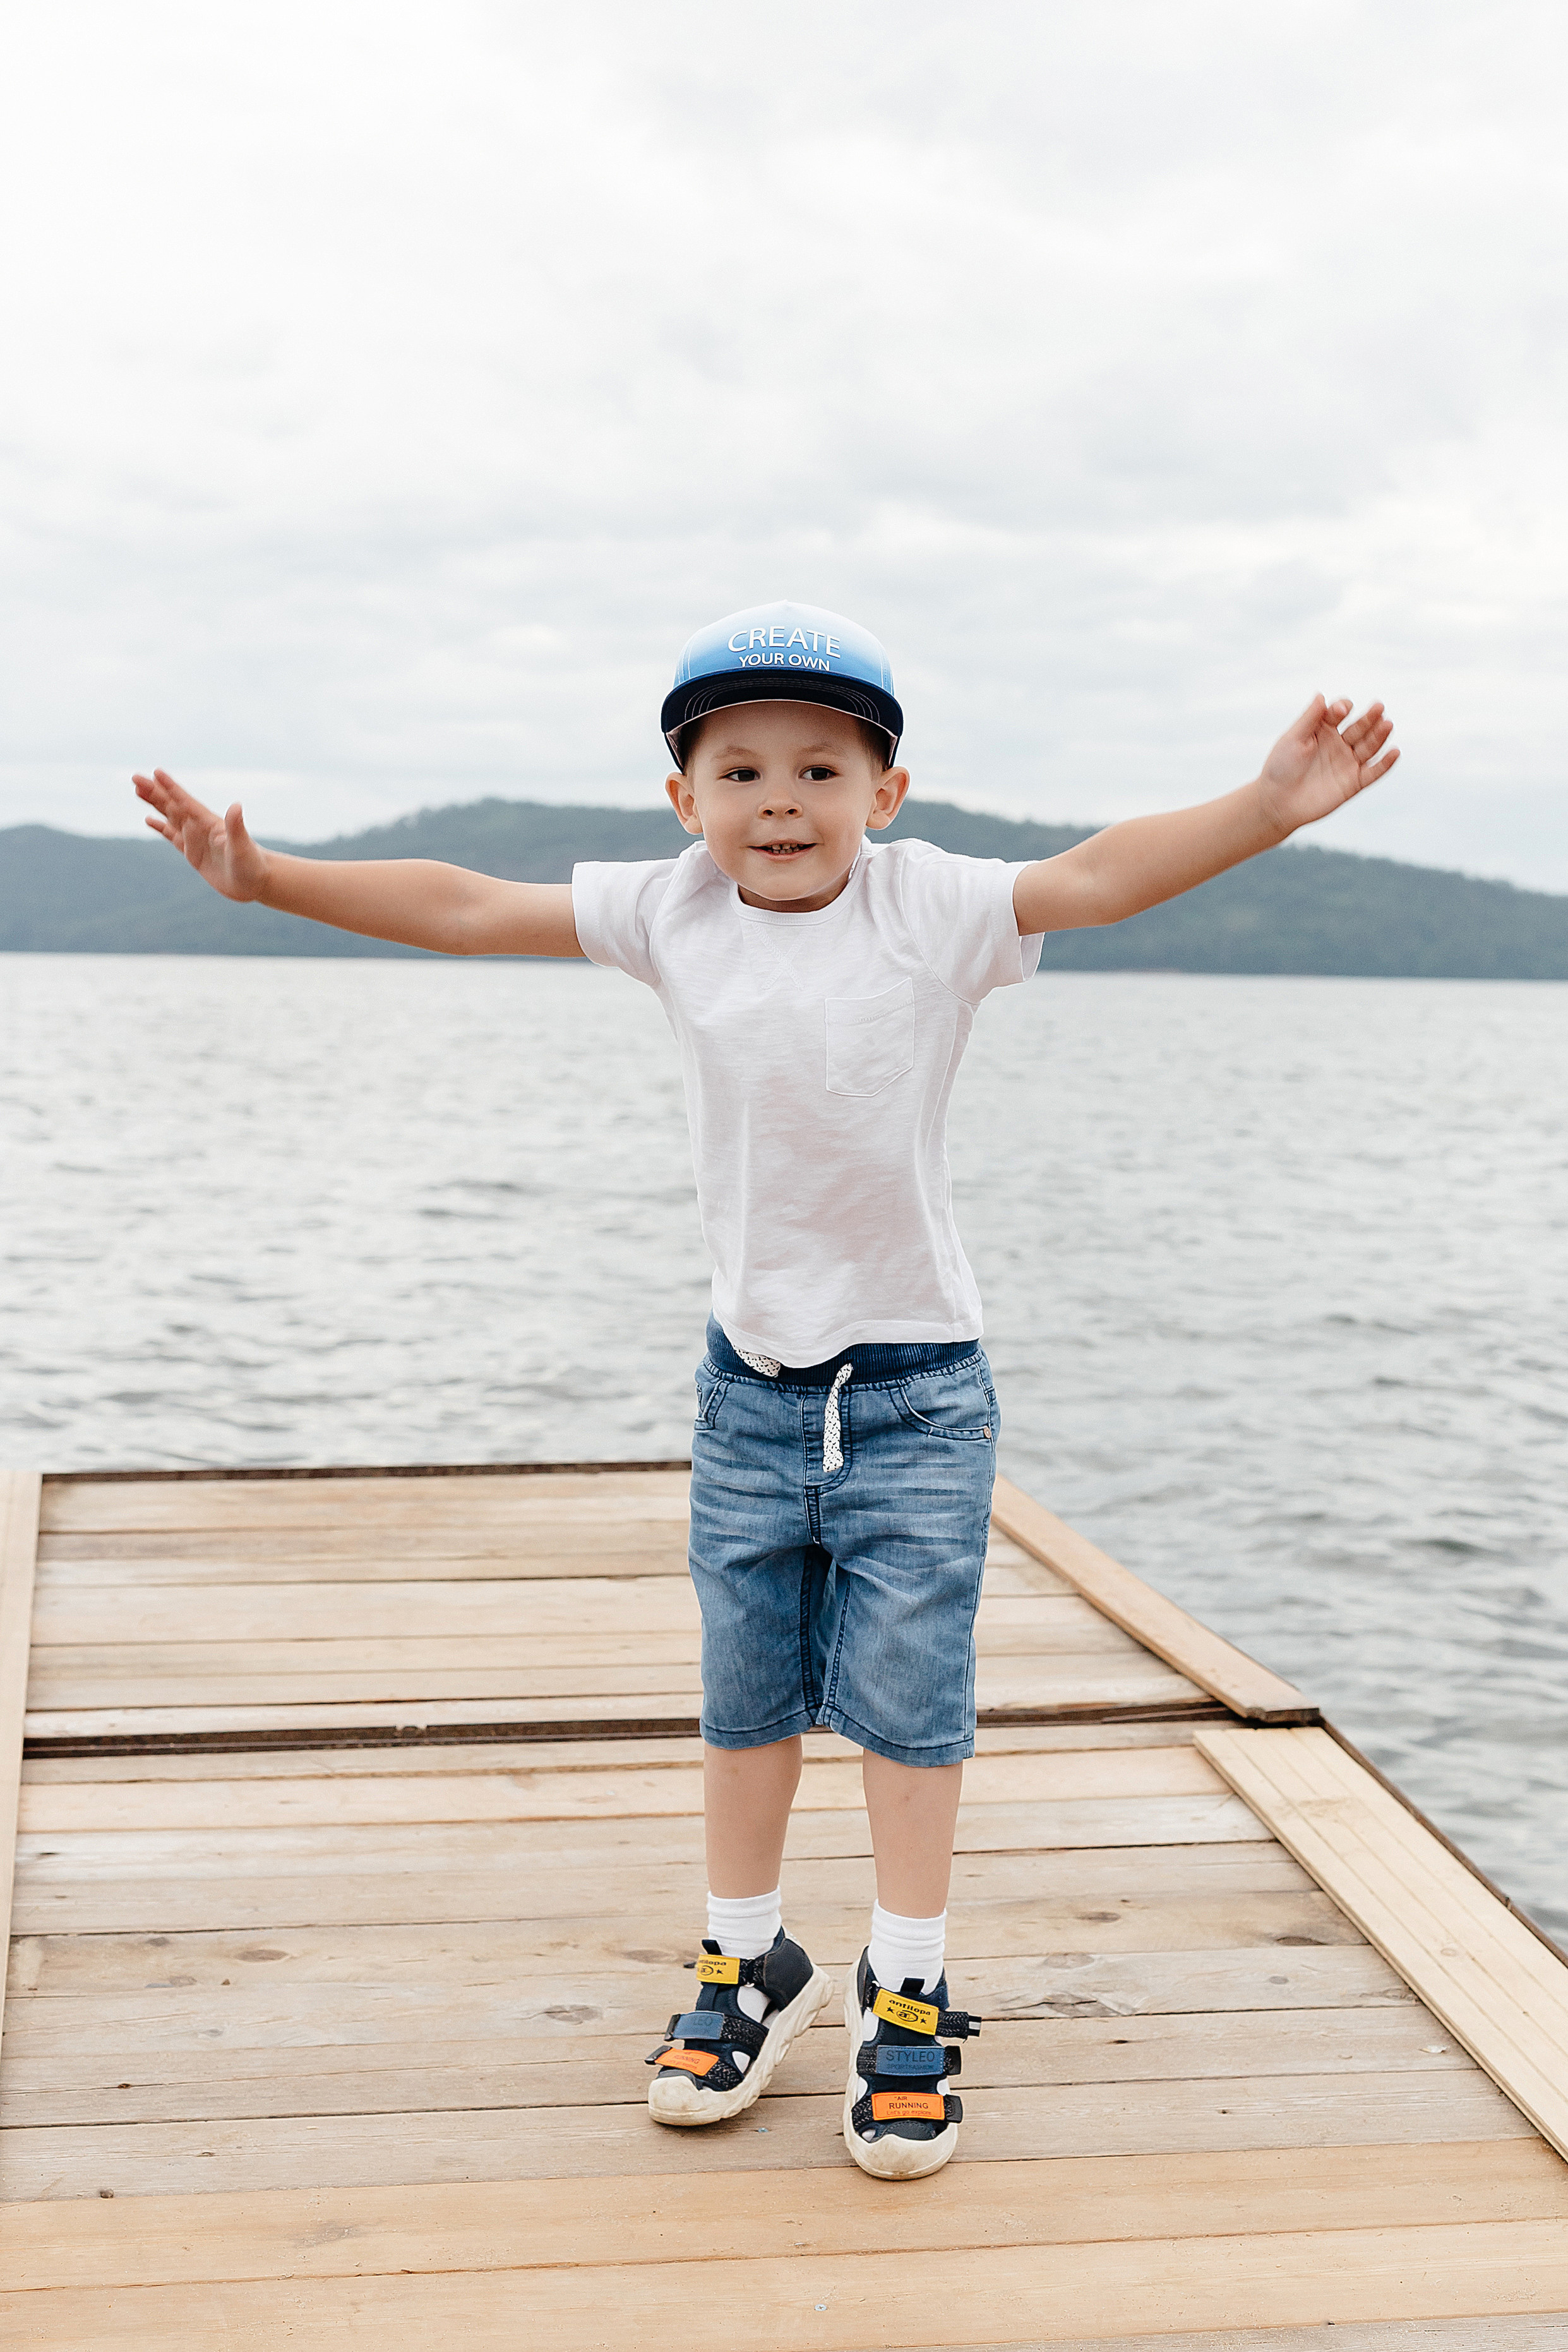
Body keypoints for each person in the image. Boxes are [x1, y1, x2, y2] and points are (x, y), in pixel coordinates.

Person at [135, 598, 1398, 2182]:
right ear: (686, 802)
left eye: (820, 767)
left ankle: (910, 1979)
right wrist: (265, 878)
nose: (781, 801)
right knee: (745, 1700)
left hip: (918, 1391)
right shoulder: (674, 911)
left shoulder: (934, 911)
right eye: (739, 771)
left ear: (889, 791)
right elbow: (462, 903)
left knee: (910, 1712)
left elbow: (1095, 874)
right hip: (750, 1394)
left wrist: (1267, 810)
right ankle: (752, 1960)